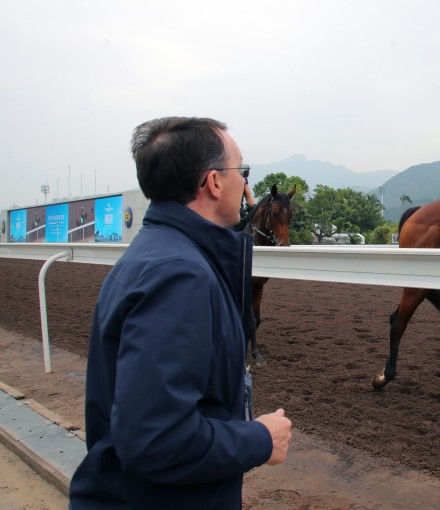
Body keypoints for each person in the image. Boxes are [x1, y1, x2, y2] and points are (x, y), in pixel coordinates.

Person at [69, 117, 293, 509]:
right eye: (242, 171)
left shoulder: (159, 255)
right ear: (214, 182)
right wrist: (259, 439)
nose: (246, 185)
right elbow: (155, 440)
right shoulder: (178, 275)